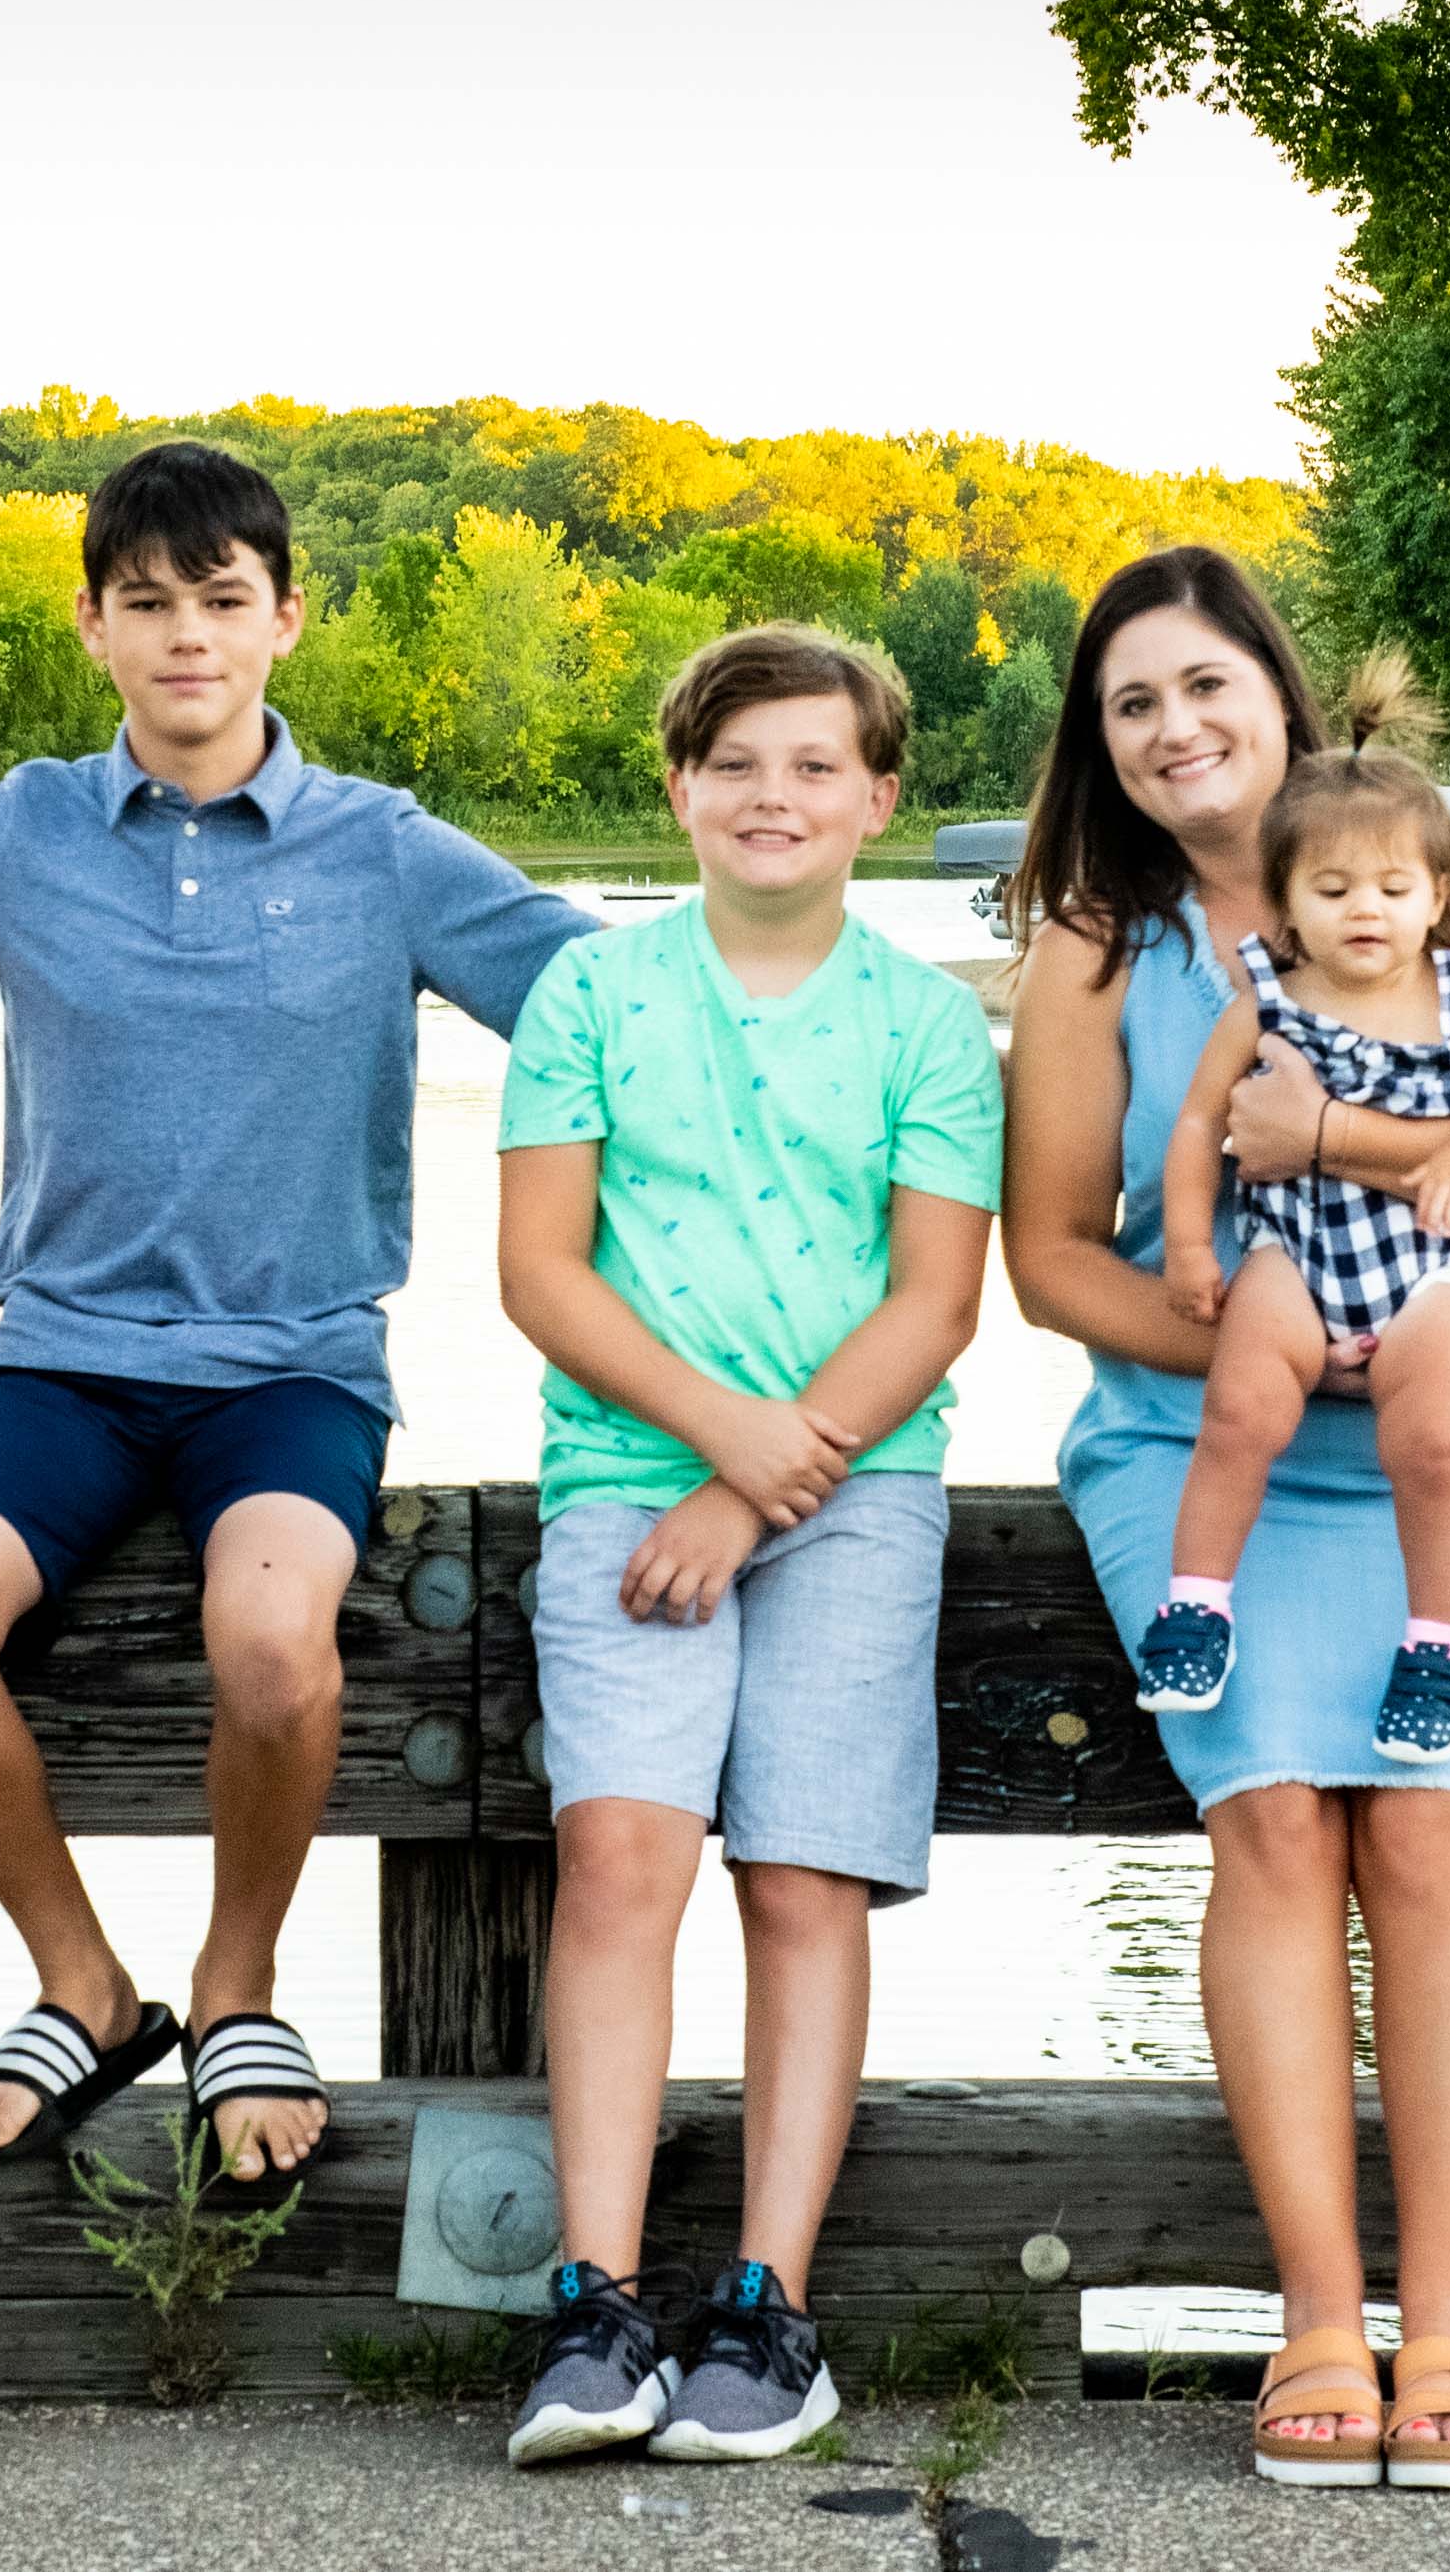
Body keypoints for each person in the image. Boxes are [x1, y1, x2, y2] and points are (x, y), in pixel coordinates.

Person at [0, 440, 592, 2187]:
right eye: (144, 602)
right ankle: (81, 1985)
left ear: (285, 618)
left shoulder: (384, 850)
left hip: (293, 1362)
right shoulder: (21, 830)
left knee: (272, 1637)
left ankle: (237, 1987)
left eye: (221, 599)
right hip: (62, 1357)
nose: (185, 636)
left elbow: (616, 1007)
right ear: (91, 625)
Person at [993, 546, 1450, 2498]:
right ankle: (1317, 2317)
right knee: (1269, 1820)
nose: (1177, 728)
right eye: (1131, 705)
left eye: (1204, 685)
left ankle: (1448, 2321)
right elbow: (1045, 1263)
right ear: (1102, 746)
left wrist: (1337, 1149)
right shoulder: (1103, 943)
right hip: (1211, 1437)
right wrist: (1240, 1335)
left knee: (1425, 1831)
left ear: (1275, 687)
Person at [486, 625, 1001, 2469]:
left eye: (812, 764)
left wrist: (763, 1479)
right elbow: (540, 1265)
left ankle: (768, 2307)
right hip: (628, 1474)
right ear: (678, 788)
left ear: (876, 796)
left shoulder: (931, 1017)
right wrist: (710, 1448)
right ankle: (595, 2302)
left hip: (853, 1483)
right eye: (734, 763)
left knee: (800, 1870)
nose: (771, 794)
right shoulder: (592, 995)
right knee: (623, 1846)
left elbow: (937, 1299)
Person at [1135, 696, 1450, 1770]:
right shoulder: (1267, 1002)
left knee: (1436, 1443)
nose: (1368, 909)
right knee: (1241, 1405)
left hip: (1431, 1266)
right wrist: (1184, 1245)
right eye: (1333, 888)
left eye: (1396, 889)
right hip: (1297, 1255)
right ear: (1287, 905)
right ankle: (1196, 1607)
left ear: (1437, 896)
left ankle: (1437, 1646)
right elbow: (1197, 1124)